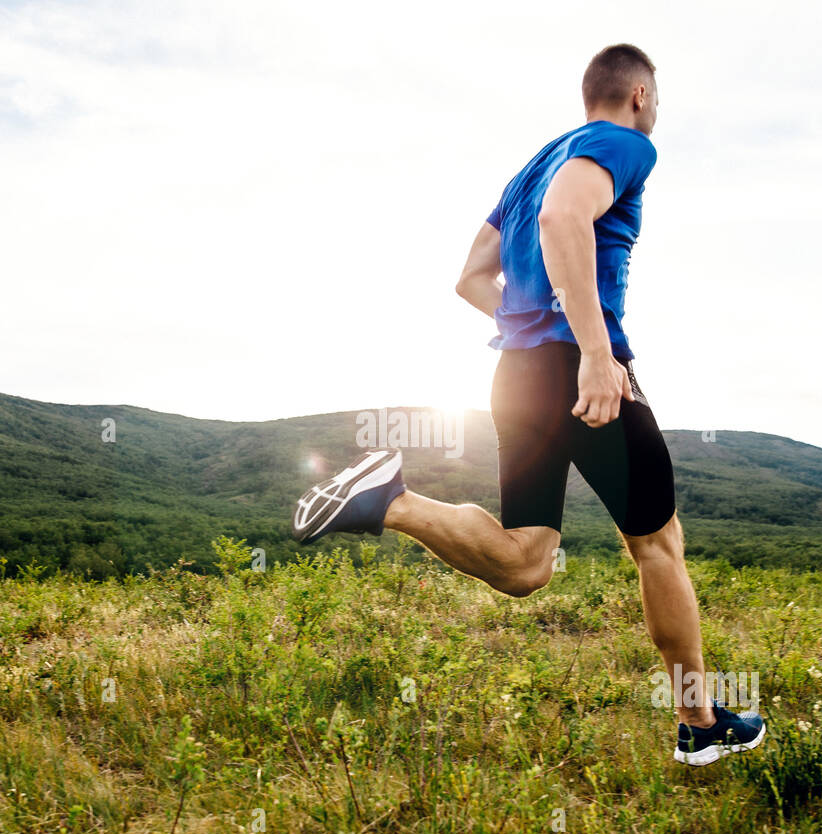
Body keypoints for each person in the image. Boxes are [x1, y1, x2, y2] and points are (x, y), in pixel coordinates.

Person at [292, 44, 764, 766]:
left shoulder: (532, 165)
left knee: (526, 564)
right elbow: (562, 221)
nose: (657, 111)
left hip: (517, 373)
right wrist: (595, 355)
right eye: (658, 100)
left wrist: (531, 331)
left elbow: (472, 277)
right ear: (639, 94)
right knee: (658, 544)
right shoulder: (624, 145)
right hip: (581, 368)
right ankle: (699, 724)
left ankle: (390, 501)